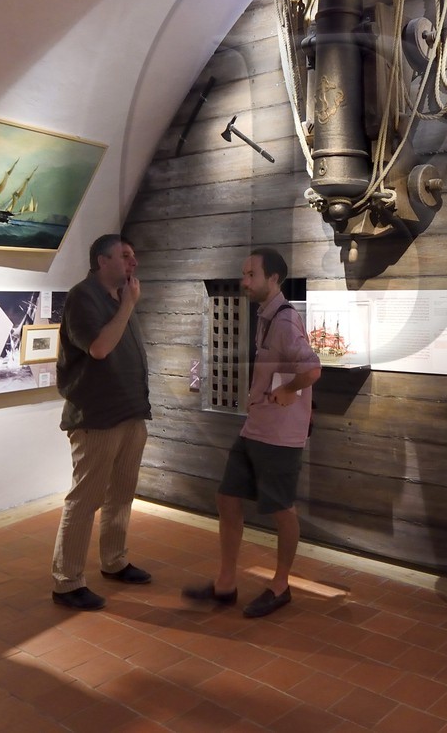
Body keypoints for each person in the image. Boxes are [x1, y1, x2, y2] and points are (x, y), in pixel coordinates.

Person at [184, 247, 320, 618]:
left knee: (281, 508)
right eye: (244, 274)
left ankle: (280, 585)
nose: (244, 281)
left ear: (273, 279)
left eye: (251, 275)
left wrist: (288, 391)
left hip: (280, 434)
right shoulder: (266, 316)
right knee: (228, 497)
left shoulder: (286, 321)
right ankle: (225, 583)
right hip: (255, 427)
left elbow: (312, 370)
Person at [50, 233, 154, 610]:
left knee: (122, 492)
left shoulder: (119, 298)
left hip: (129, 413)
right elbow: (98, 348)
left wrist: (125, 304)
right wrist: (127, 305)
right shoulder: (84, 296)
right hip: (96, 416)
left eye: (133, 256)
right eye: (125, 256)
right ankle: (67, 580)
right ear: (101, 261)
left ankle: (114, 559)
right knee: (86, 498)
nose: (133, 263)